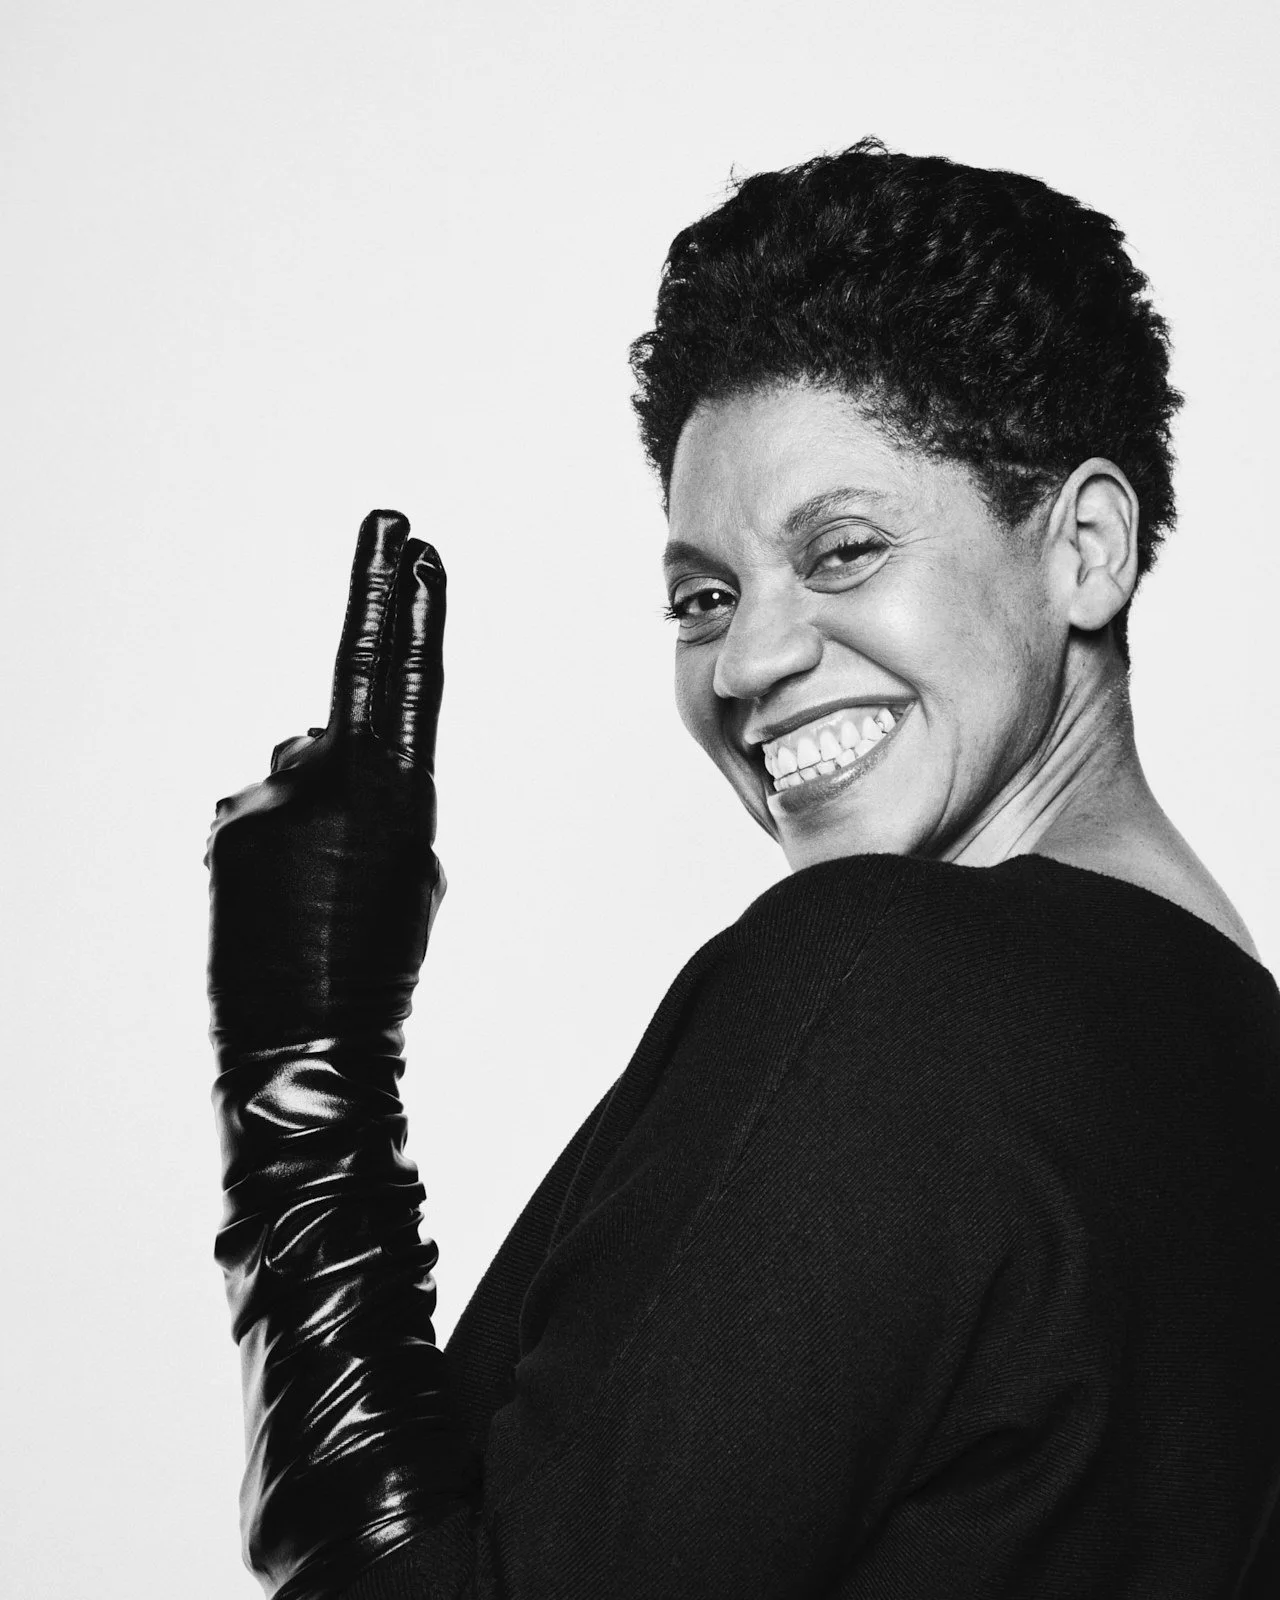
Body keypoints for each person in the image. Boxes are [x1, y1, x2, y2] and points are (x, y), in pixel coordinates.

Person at [205, 139, 1280, 1599]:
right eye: (703, 595)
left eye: (840, 550)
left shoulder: (895, 982)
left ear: (1086, 547)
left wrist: (302, 1062)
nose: (750, 660)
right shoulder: (1237, 1062)